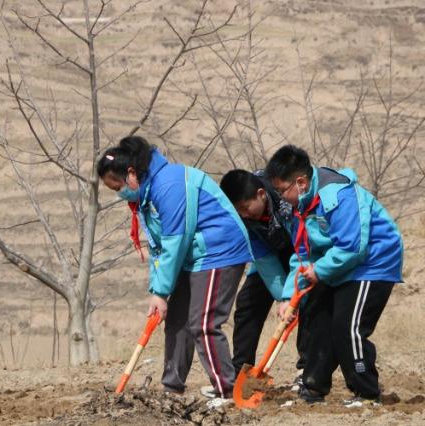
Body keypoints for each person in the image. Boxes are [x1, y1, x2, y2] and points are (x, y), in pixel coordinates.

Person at [97, 136, 252, 405]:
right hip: (191, 255)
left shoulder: (169, 184)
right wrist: (158, 293)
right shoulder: (146, 195)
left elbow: (175, 240)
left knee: (203, 322)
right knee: (177, 319)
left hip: (219, 250)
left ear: (131, 173)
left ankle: (227, 390)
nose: (120, 192)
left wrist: (161, 290)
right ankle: (172, 388)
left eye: (119, 186)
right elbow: (159, 249)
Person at [264, 145, 403, 407]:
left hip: (372, 262)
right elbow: (303, 255)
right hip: (337, 264)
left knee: (346, 326)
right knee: (317, 318)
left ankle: (366, 393)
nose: (282, 198)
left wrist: (319, 270)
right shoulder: (299, 207)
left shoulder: (338, 194)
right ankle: (313, 389)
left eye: (283, 191)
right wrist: (287, 297)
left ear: (301, 182)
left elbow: (353, 247)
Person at [219, 169, 307, 385]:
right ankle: (241, 374)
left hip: (302, 251)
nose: (244, 215)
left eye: (245, 208)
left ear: (261, 194)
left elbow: (302, 248)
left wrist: (291, 298)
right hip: (269, 254)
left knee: (306, 304)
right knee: (247, 303)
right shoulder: (244, 219)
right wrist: (282, 298)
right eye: (238, 212)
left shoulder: (286, 198)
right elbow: (264, 259)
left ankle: (307, 370)